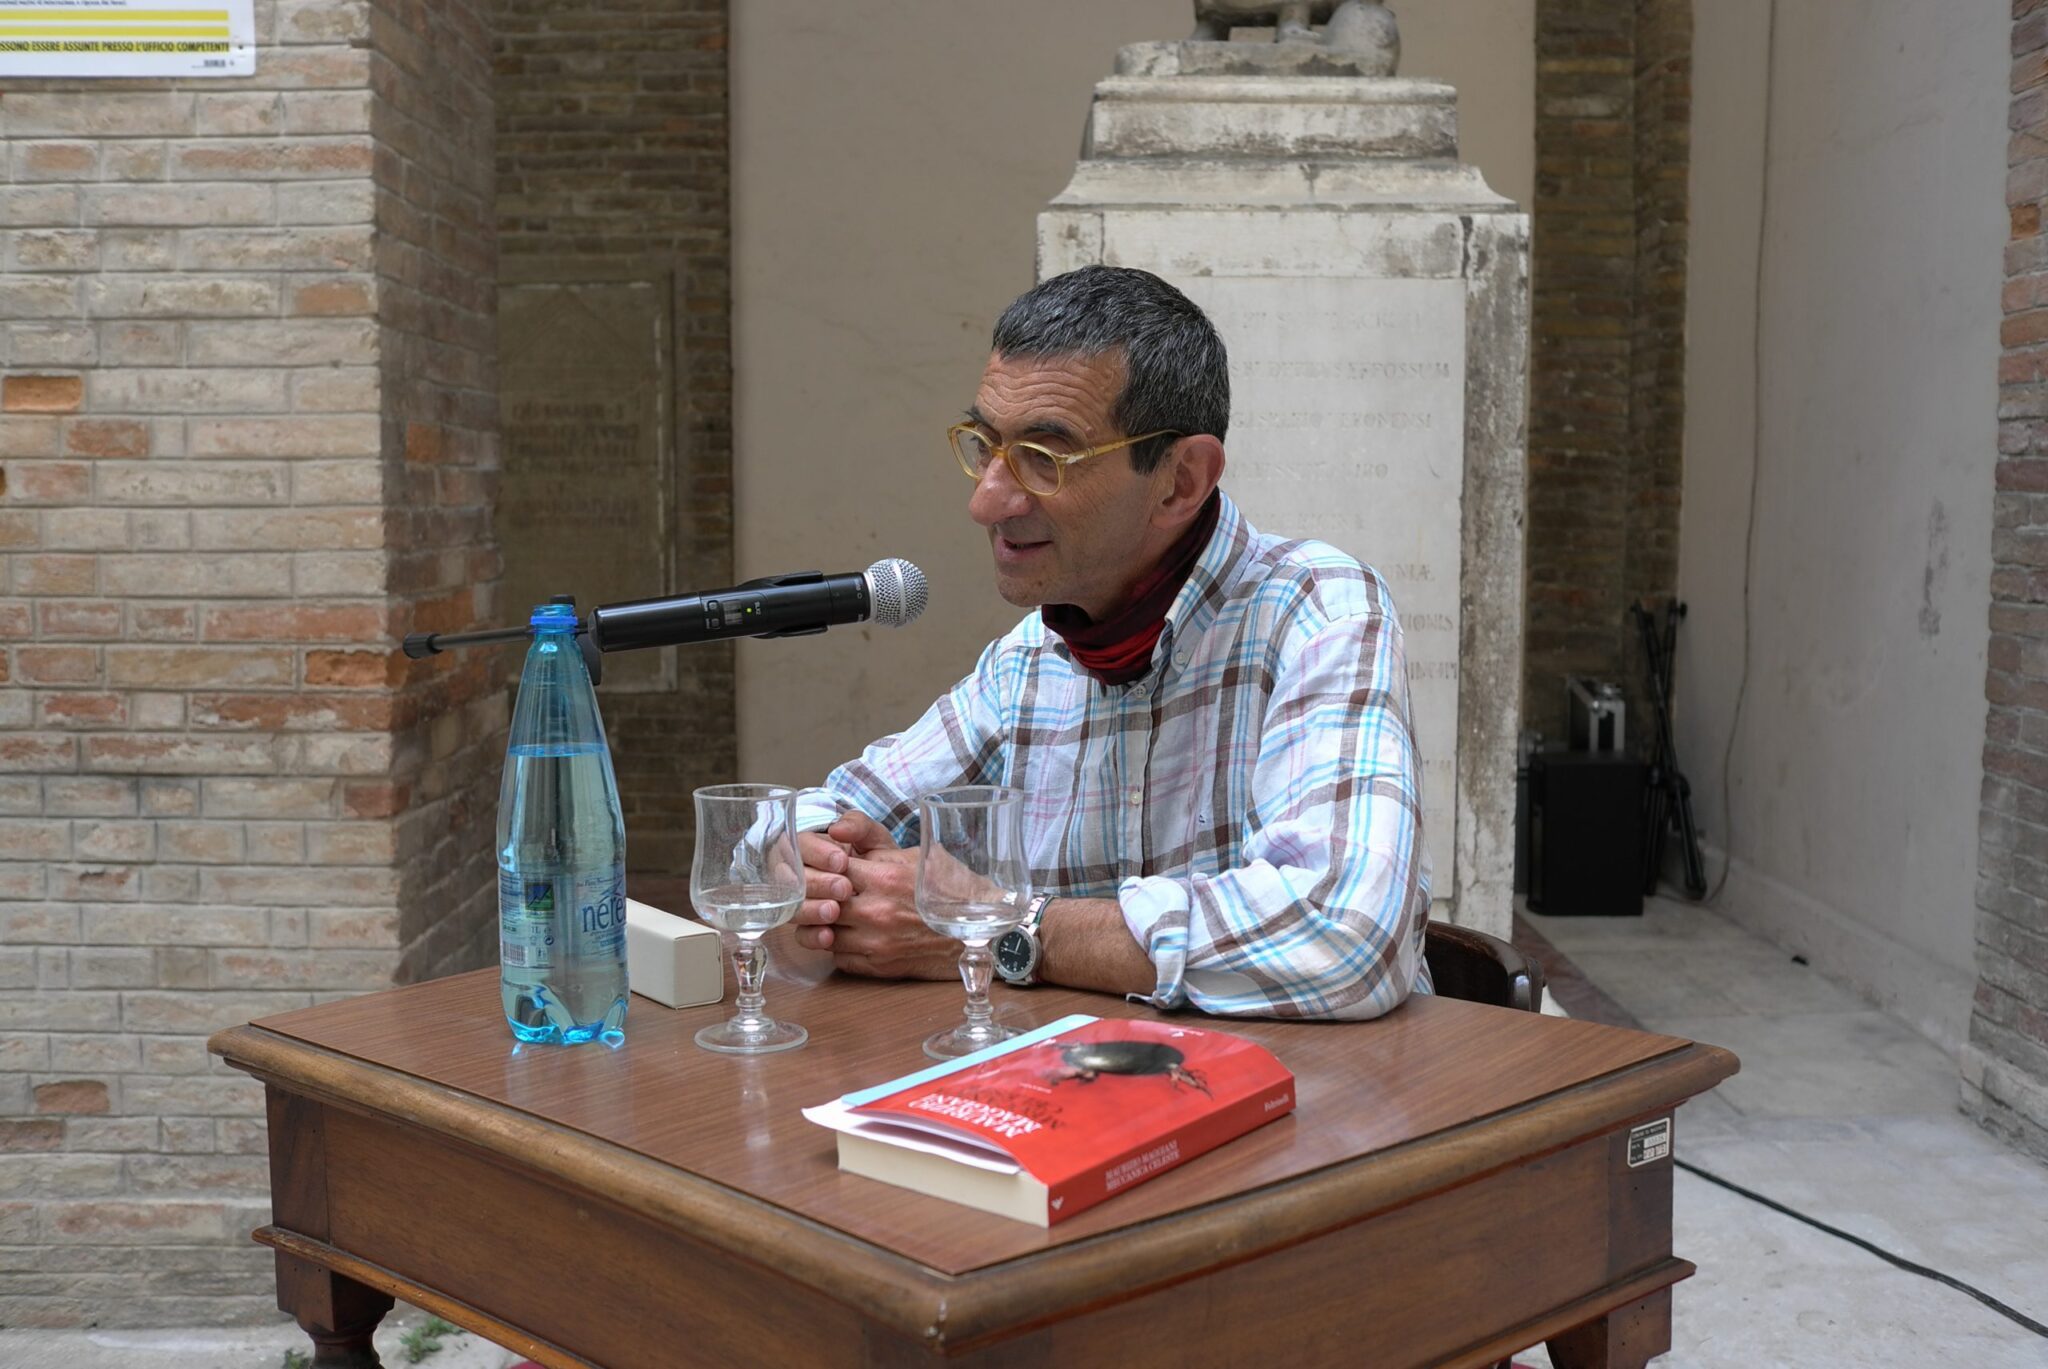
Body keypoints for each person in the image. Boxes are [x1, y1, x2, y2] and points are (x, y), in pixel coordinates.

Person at [793, 266, 1431, 1019]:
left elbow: (1343, 938)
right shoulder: (1027, 661)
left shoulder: (1318, 612)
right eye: (985, 445)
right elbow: (830, 812)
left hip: (1309, 1086)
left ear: (1181, 481)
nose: (986, 501)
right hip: (1078, 1077)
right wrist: (819, 862)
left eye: (1045, 456)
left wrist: (999, 928)